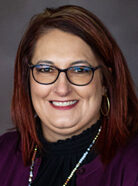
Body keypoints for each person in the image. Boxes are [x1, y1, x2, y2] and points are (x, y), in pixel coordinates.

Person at [0, 4, 137, 186]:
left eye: (80, 69)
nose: (62, 88)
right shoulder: (3, 153)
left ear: (105, 81)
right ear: (27, 79)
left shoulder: (132, 163)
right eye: (46, 69)